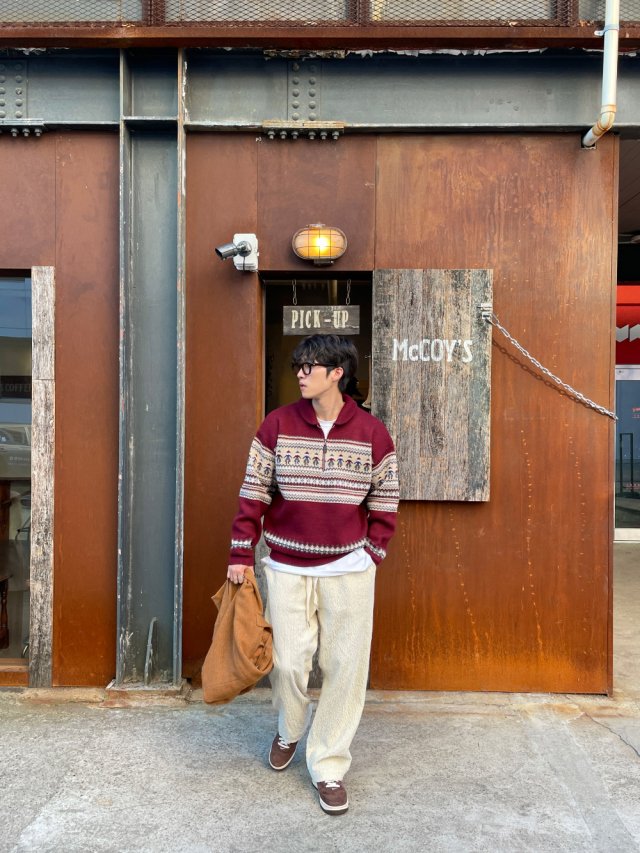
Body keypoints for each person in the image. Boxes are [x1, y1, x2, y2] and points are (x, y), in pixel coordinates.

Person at [227, 334, 399, 815]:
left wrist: (372, 553)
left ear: (337, 373)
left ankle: (328, 765)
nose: (301, 374)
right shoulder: (277, 425)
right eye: (298, 366)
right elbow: (254, 492)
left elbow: (385, 497)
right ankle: (289, 729)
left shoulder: (372, 433)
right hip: (286, 565)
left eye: (310, 366)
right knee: (287, 662)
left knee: (346, 668)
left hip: (349, 568)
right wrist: (241, 552)